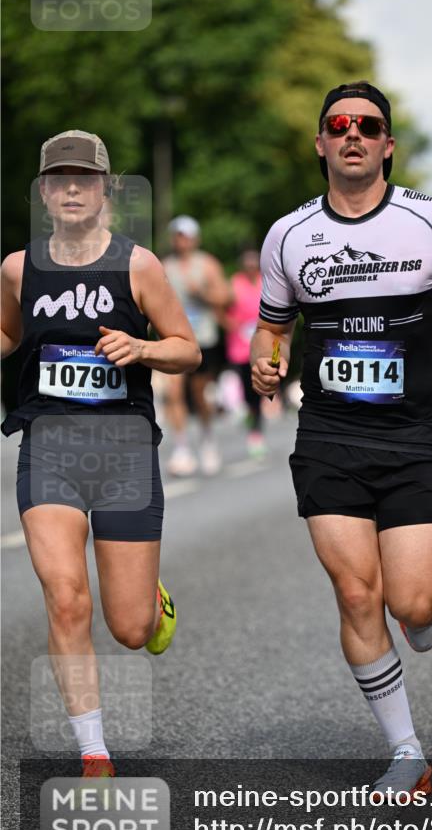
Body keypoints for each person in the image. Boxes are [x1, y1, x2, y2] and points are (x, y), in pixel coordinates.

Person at [251, 82, 432, 798]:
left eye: (367, 126)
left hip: (410, 438)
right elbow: (273, 325)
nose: (352, 135)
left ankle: (422, 610)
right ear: (319, 143)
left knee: (410, 602)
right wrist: (265, 355)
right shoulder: (288, 234)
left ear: (387, 145)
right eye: (338, 125)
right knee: (354, 590)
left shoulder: (431, 222)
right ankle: (406, 751)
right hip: (329, 436)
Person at [0, 130, 201, 776]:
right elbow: (8, 330)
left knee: (131, 628)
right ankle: (93, 751)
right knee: (65, 595)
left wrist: (141, 349)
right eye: (58, 179)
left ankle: (150, 601)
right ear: (43, 191)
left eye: (83, 178)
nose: (70, 189)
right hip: (49, 448)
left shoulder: (138, 265)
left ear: (105, 188)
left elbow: (186, 347)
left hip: (124, 455)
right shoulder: (16, 268)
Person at [162, 216, 229, 476]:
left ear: (195, 238)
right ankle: (181, 448)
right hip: (174, 338)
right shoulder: (164, 266)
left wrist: (201, 293)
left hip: (203, 339)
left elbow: (225, 297)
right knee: (174, 393)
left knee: (200, 395)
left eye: (186, 235)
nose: (182, 240)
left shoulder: (208, 264)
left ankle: (207, 438)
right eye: (177, 235)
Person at [224, 248, 266, 457]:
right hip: (239, 348)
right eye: (247, 264)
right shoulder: (234, 284)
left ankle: (256, 433)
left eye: (253, 264)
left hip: (261, 347)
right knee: (242, 388)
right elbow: (221, 310)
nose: (250, 267)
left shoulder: (266, 282)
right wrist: (230, 324)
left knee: (257, 390)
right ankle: (243, 413)